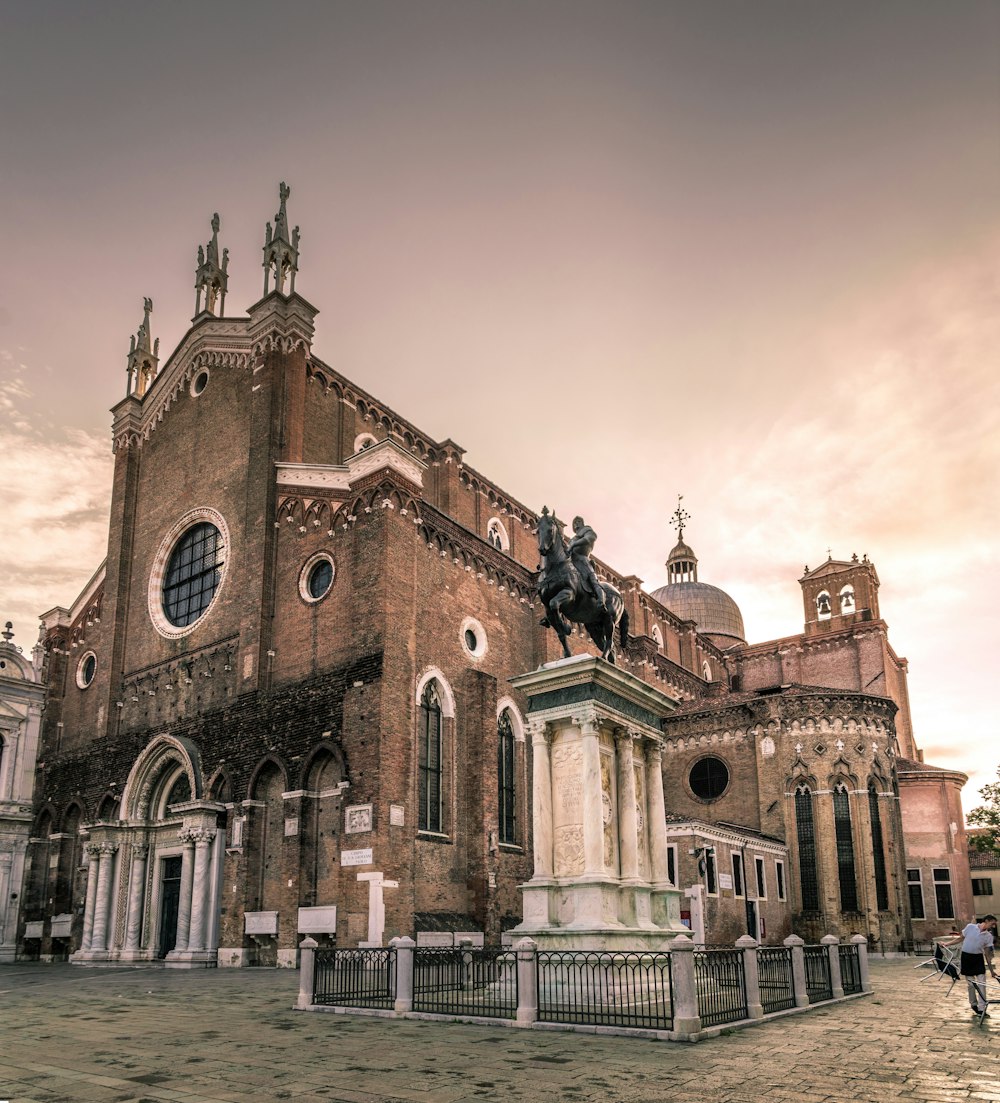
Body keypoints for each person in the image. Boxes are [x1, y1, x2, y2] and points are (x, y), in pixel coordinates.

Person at [942, 915, 998, 1015]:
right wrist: (947, 944)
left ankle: (981, 1009)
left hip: (978, 959)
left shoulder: (988, 936)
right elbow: (960, 938)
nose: (993, 926)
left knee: (982, 984)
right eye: (992, 923)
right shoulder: (970, 927)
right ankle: (973, 1004)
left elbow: (987, 954)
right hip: (966, 958)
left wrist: (992, 970)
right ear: (986, 921)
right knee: (971, 985)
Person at [566, 516, 606, 611]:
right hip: (572, 561)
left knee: (593, 580)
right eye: (574, 522)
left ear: (582, 523)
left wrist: (573, 545)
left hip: (583, 560)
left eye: (578, 521)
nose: (576, 524)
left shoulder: (588, 530)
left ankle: (601, 601)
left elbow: (589, 539)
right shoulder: (572, 539)